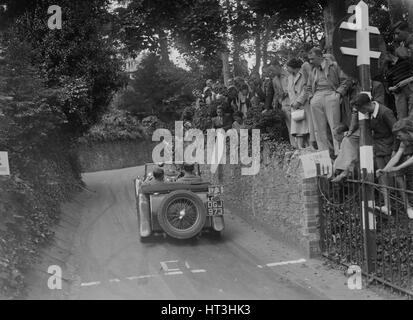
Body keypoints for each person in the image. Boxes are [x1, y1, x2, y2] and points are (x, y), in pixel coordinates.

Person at [345, 94, 397, 213]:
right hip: (379, 148)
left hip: (389, 148)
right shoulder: (369, 114)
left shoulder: (385, 112)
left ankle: (407, 205)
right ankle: (387, 206)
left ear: (366, 105)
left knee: (397, 176)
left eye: (360, 109)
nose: (360, 112)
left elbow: (396, 131)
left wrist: (395, 150)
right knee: (382, 177)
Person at [307, 47, 352, 159]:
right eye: (310, 59)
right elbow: (307, 87)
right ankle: (324, 155)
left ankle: (339, 154)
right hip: (316, 96)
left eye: (312, 59)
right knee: (319, 129)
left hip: (331, 94)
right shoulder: (313, 70)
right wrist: (311, 98)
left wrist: (338, 94)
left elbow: (346, 80)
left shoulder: (334, 65)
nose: (310, 62)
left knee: (335, 126)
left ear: (319, 56)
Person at [378, 118, 413, 219]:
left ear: (407, 132)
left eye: (399, 135)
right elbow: (397, 157)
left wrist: (397, 168)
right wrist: (384, 170)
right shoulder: (405, 141)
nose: (397, 138)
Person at [384, 45, 413, 119]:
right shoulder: (387, 68)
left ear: (388, 54)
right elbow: (387, 86)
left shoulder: (406, 61)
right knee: (401, 116)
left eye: (384, 55)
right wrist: (392, 88)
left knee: (412, 114)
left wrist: (408, 80)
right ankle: (403, 130)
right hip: (398, 91)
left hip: (410, 87)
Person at [286, 58, 309, 149]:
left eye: (288, 67)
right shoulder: (289, 77)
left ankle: (308, 146)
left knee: (306, 128)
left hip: (304, 104)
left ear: (293, 67)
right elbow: (290, 92)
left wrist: (299, 101)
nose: (287, 69)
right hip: (294, 106)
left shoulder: (303, 74)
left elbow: (306, 89)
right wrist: (292, 103)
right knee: (297, 128)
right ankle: (300, 148)